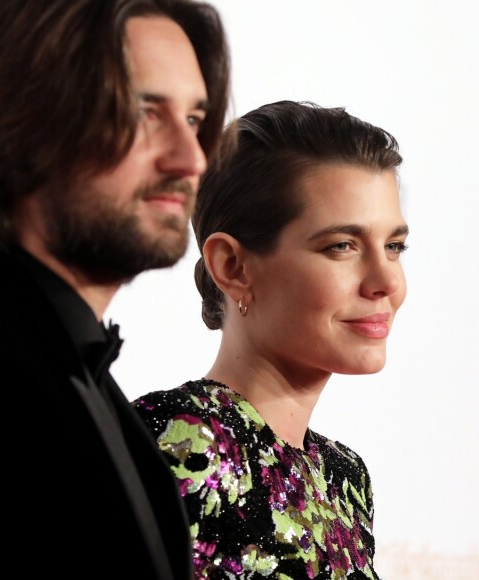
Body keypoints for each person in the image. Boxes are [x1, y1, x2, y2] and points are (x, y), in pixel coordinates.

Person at [0, 0, 231, 576]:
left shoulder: (49, 351)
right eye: (145, 113)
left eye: (195, 120)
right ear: (23, 124)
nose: (191, 158)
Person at [133, 100, 409, 579]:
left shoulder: (345, 477)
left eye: (394, 246)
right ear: (233, 267)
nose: (385, 280)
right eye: (341, 246)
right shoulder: (180, 443)